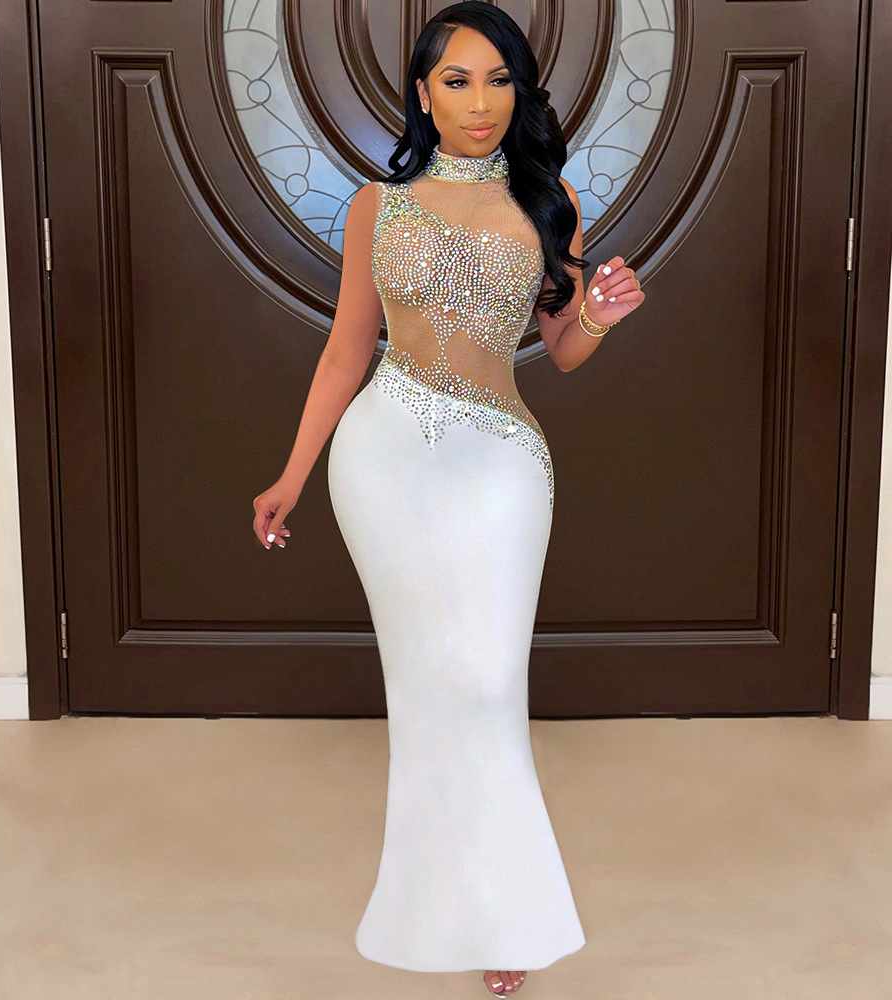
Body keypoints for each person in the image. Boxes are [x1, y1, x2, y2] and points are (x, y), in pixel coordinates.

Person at [253, 2, 645, 994]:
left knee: (486, 684)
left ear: (521, 90)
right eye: (458, 81)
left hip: (501, 460)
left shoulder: (550, 199)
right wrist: (292, 473)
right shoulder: (375, 208)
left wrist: (599, 314)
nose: (481, 102)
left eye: (499, 79)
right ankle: (443, 902)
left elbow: (561, 351)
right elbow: (346, 352)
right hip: (382, 457)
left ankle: (505, 910)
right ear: (423, 95)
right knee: (427, 685)